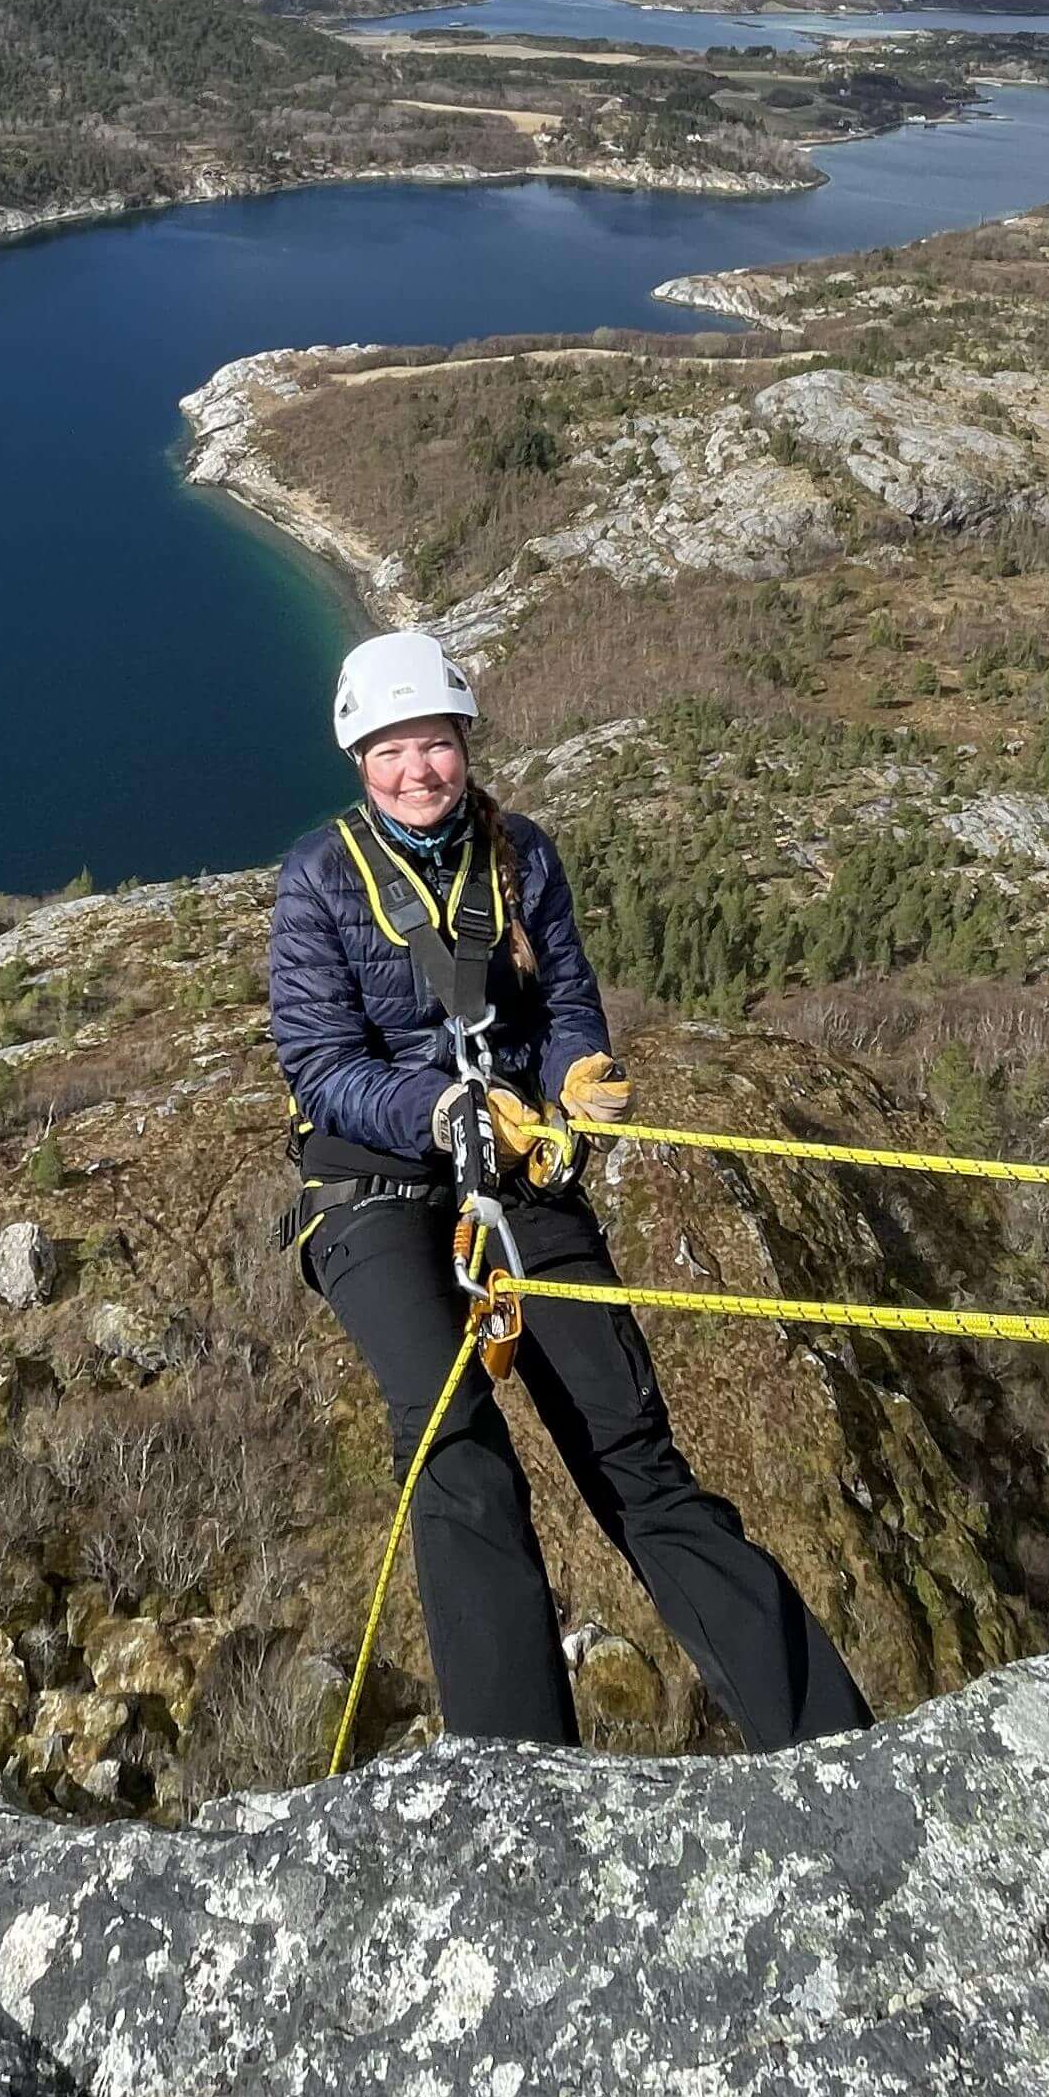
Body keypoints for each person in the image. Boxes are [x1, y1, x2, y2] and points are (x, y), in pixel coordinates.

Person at [267, 629, 871, 1751]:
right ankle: (517, 1768)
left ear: (465, 744)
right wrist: (440, 1110)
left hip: (512, 1164)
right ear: (359, 761)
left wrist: (575, 1076)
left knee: (632, 1452)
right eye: (392, 750)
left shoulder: (522, 859)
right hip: (374, 1185)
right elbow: (321, 1065)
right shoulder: (319, 877)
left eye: (435, 745)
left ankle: (826, 1738)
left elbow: (563, 1007)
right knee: (455, 1444)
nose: (417, 771)